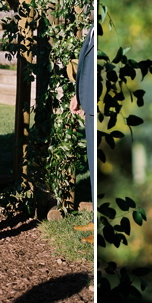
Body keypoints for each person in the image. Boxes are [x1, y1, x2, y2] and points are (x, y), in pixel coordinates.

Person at [70, 19, 94, 244]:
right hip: (87, 103)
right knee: (92, 164)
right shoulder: (92, 30)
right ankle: (95, 220)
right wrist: (78, 95)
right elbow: (85, 69)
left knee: (96, 165)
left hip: (96, 108)